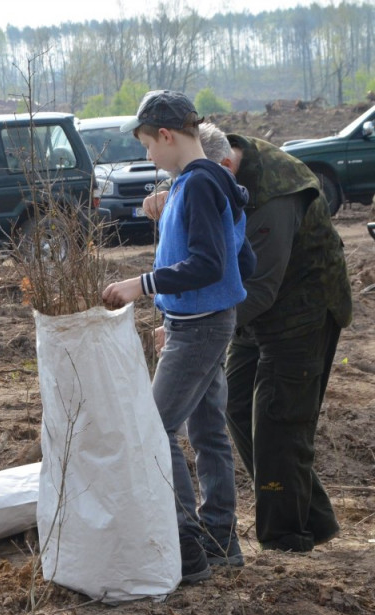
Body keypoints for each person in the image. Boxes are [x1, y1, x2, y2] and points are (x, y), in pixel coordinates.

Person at [147, 123, 352, 553]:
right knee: (235, 403)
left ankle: (286, 537)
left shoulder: (275, 194)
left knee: (279, 418)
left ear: (225, 165)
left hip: (303, 311)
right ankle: (307, 515)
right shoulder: (216, 170)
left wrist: (194, 324)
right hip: (243, 311)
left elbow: (259, 285)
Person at [102, 91, 255, 584]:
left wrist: (142, 286)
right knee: (207, 431)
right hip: (198, 323)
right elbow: (241, 262)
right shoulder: (202, 184)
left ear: (166, 136)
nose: (148, 155)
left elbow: (209, 263)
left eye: (148, 145)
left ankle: (187, 546)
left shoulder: (200, 186)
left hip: (201, 327)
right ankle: (220, 540)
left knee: (153, 428)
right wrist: (177, 311)